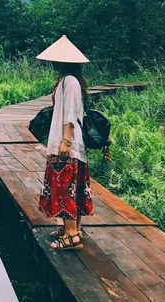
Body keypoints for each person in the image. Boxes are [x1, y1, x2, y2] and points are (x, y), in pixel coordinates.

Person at [36, 35, 94, 250]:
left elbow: (70, 114)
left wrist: (65, 142)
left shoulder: (70, 82)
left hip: (68, 142)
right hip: (68, 142)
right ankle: (73, 229)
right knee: (73, 186)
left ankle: (71, 235)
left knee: (65, 187)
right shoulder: (67, 81)